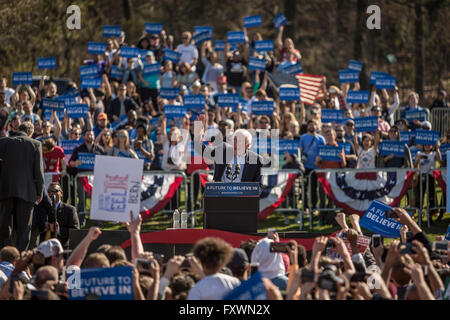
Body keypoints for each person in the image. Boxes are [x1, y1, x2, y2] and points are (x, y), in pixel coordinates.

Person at [0, 122, 44, 251]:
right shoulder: (35, 144)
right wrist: (40, 192)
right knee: (24, 229)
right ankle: (20, 259)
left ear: (19, 129)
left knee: (3, 226)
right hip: (27, 191)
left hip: (5, 190)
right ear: (30, 133)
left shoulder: (3, 142)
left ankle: (4, 257)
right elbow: (38, 171)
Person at [194, 117, 264, 183]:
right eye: (235, 140)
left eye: (241, 142)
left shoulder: (257, 161)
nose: (236, 144)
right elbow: (203, 150)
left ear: (248, 145)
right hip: (221, 194)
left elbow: (258, 186)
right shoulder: (223, 150)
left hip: (242, 195)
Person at [299, 120, 325, 211]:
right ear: (307, 127)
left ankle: (314, 207)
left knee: (314, 188)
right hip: (305, 166)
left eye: (314, 125)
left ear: (317, 126)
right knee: (305, 188)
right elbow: (300, 150)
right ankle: (305, 207)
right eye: (310, 125)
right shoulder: (303, 138)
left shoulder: (321, 138)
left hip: (316, 167)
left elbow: (324, 152)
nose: (312, 126)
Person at [46, 182, 79, 249]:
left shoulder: (70, 209)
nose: (52, 193)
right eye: (49, 191)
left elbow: (75, 231)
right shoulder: (42, 208)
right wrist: (44, 226)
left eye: (55, 191)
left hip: (62, 247)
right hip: (44, 246)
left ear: (61, 193)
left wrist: (58, 230)